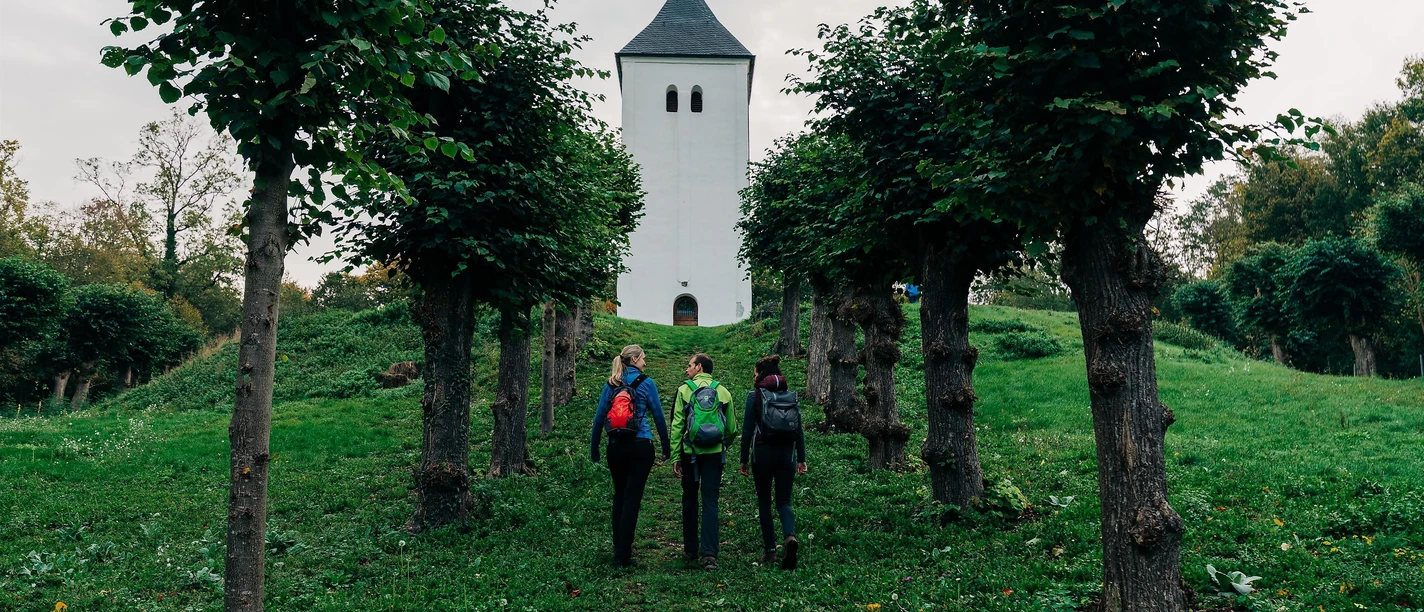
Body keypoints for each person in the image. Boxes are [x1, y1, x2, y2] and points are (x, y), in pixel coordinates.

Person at [590, 344, 671, 568]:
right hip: (641, 445)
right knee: (632, 499)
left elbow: (599, 419)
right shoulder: (646, 383)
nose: (645, 362)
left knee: (619, 495)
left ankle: (619, 547)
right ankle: (623, 555)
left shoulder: (611, 383)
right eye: (643, 358)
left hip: (615, 446)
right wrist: (666, 448)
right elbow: (659, 417)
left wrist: (595, 449)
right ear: (634, 359)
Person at [739, 355, 807, 570]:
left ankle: (770, 550)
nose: (753, 376)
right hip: (787, 455)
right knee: (784, 501)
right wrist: (802, 459)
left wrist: (743, 460)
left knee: (764, 501)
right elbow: (799, 431)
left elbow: (748, 430)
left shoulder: (755, 396)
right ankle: (789, 537)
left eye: (755, 372)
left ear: (761, 374)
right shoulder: (790, 397)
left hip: (762, 454)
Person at [671, 352, 738, 570]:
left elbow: (677, 426)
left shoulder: (683, 390)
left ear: (699, 367)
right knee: (711, 501)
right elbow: (732, 428)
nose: (687, 369)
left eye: (690, 365)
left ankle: (690, 549)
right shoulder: (723, 391)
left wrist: (675, 455)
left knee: (689, 498)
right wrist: (722, 444)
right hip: (714, 453)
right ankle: (709, 555)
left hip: (690, 453)